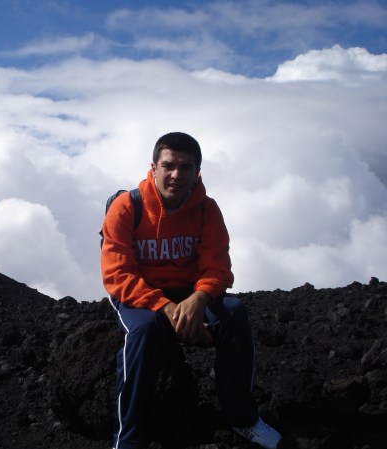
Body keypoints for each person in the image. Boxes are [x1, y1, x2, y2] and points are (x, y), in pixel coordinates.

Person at [100, 132, 281, 449]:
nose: (176, 174)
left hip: (187, 290)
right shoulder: (126, 207)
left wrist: (199, 298)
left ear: (197, 172)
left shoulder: (206, 210)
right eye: (168, 166)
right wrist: (167, 308)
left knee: (234, 314)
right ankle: (128, 441)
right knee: (143, 331)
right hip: (138, 293)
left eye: (186, 167)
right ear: (153, 168)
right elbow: (118, 274)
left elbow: (217, 267)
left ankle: (243, 418)